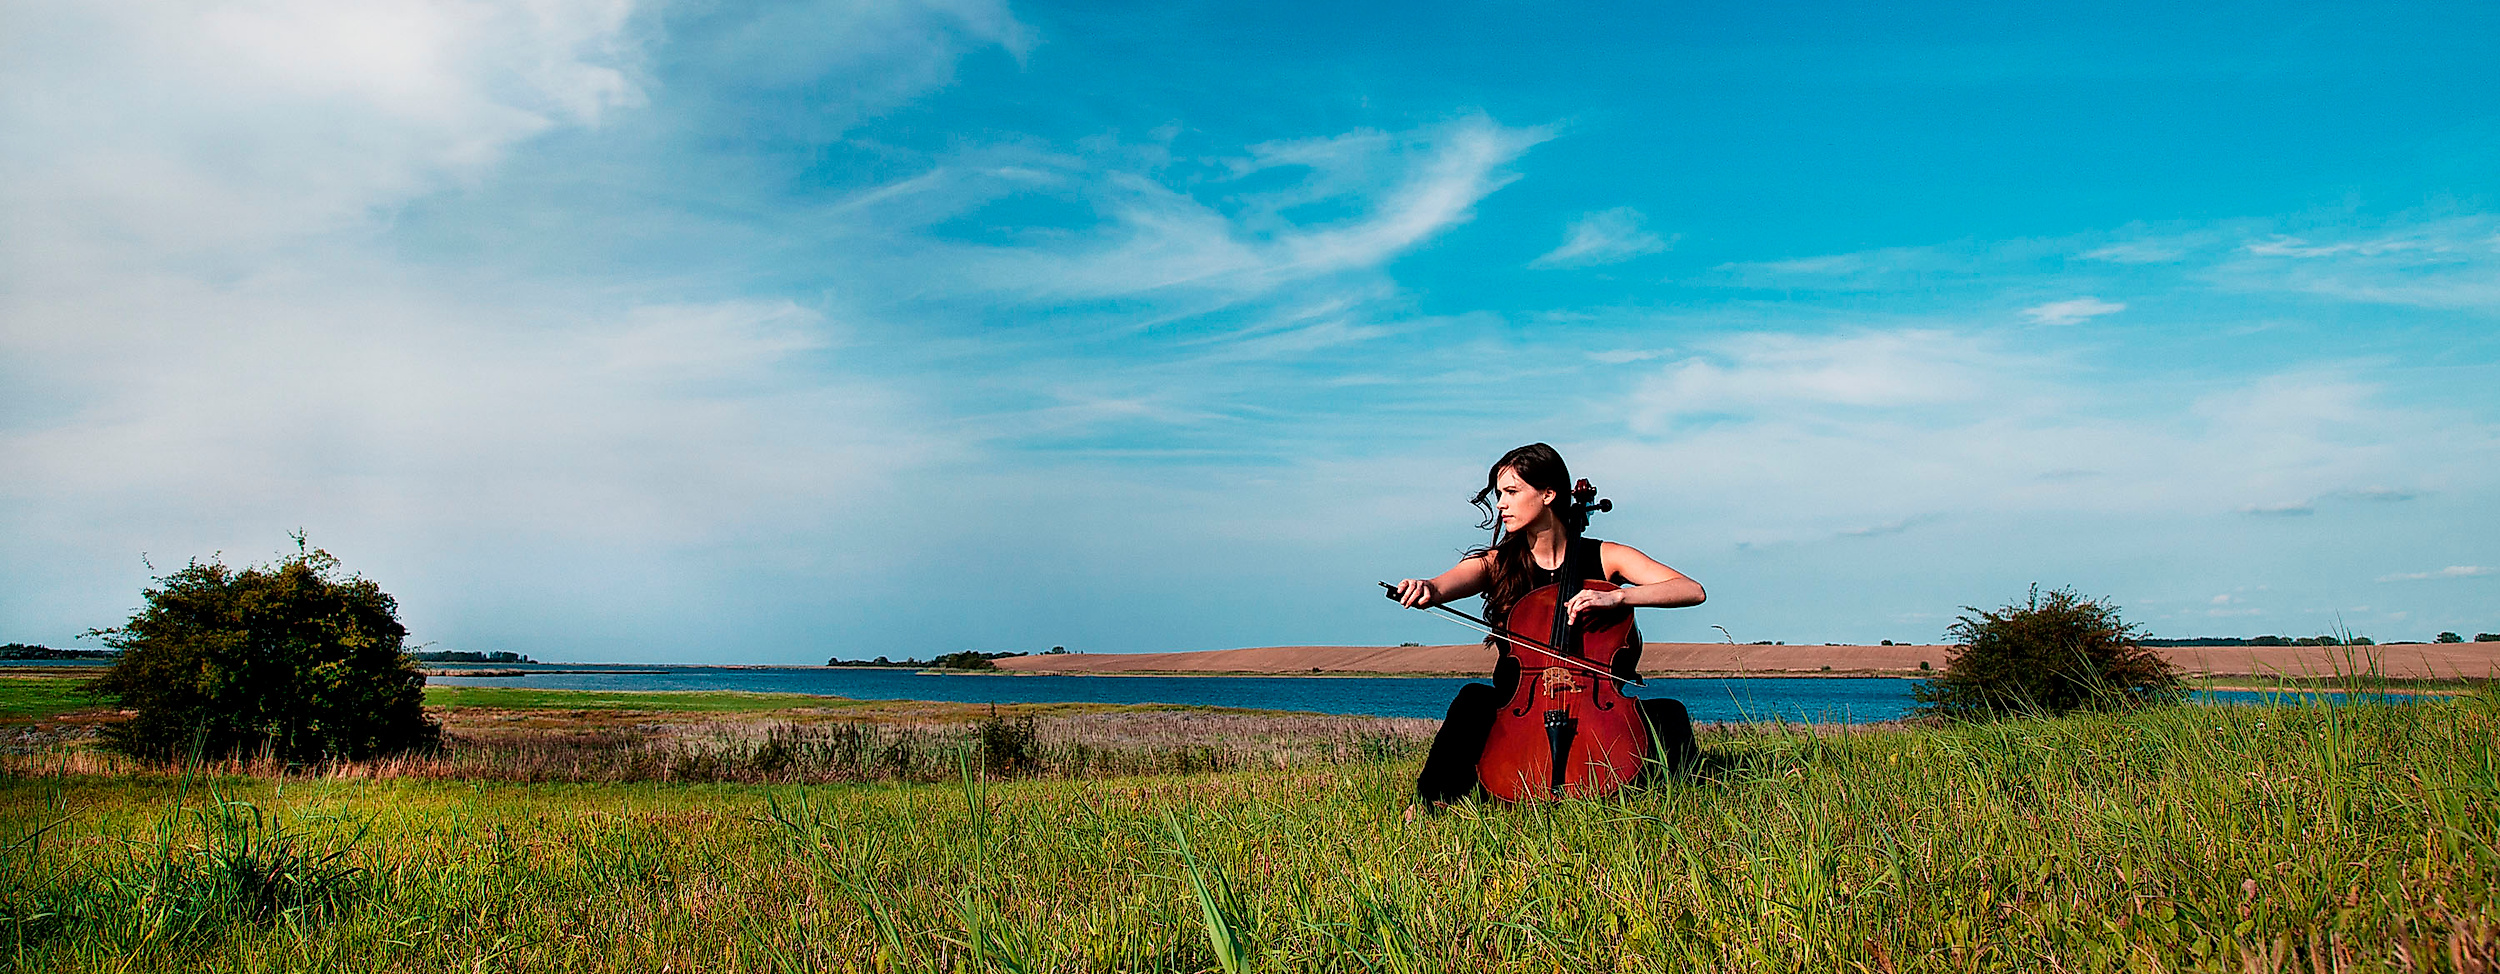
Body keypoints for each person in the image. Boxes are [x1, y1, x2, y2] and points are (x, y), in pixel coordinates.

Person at [1391, 443, 1705, 811]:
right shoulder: (1497, 562)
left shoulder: (1607, 557)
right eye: (1499, 494)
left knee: (1669, 714)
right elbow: (1443, 585)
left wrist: (1618, 598)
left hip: (1594, 700)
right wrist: (1426, 588)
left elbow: (1690, 590)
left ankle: (1665, 797)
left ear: (1548, 494)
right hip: (1519, 704)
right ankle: (1433, 801)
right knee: (1472, 701)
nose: (1501, 505)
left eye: (1511, 492)